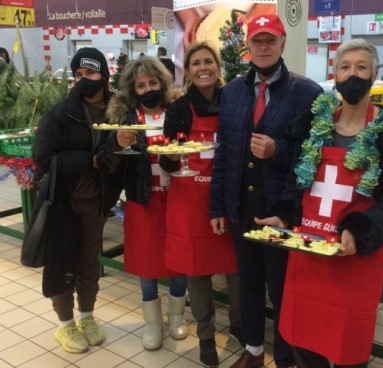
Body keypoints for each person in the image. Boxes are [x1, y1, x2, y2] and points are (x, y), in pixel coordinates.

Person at [256, 38, 383, 368]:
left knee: (348, 344)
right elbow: (297, 181)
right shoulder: (314, 124)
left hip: (353, 258)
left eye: (361, 67)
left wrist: (360, 230)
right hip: (309, 253)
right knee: (303, 338)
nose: (353, 74)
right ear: (334, 74)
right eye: (345, 67)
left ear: (375, 74)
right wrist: (284, 214)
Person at [209, 14, 323, 368]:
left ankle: (287, 358)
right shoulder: (231, 92)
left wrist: (278, 150)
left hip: (281, 208)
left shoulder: (307, 93)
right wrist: (217, 207)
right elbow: (224, 153)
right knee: (249, 284)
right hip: (242, 206)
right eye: (256, 40)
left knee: (283, 287)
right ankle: (254, 351)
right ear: (247, 45)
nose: (263, 47)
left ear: (282, 43)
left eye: (269, 40)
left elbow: (313, 156)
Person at [32, 47, 123, 353]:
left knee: (88, 264)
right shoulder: (62, 112)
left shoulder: (118, 111)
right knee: (63, 263)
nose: (85, 80)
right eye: (79, 75)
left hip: (97, 203)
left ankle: (87, 317)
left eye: (91, 73)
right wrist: (91, 161)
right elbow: (42, 158)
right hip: (64, 202)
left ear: (105, 76)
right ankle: (65, 325)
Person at [159, 41, 243, 368]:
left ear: (218, 66)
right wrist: (170, 157)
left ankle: (239, 324)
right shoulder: (179, 110)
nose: (203, 67)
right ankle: (206, 336)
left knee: (237, 270)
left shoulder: (234, 100)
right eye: (196, 63)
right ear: (188, 71)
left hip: (227, 196)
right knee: (197, 273)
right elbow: (167, 162)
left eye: (209, 61)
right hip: (190, 200)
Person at [104, 56, 188, 350]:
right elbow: (109, 163)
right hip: (142, 199)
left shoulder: (177, 112)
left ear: (163, 84)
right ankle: (153, 323)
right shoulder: (125, 118)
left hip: (177, 198)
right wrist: (117, 144)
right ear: (132, 89)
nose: (148, 88)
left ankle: (177, 317)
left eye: (153, 82)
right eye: (141, 85)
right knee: (146, 262)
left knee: (178, 260)